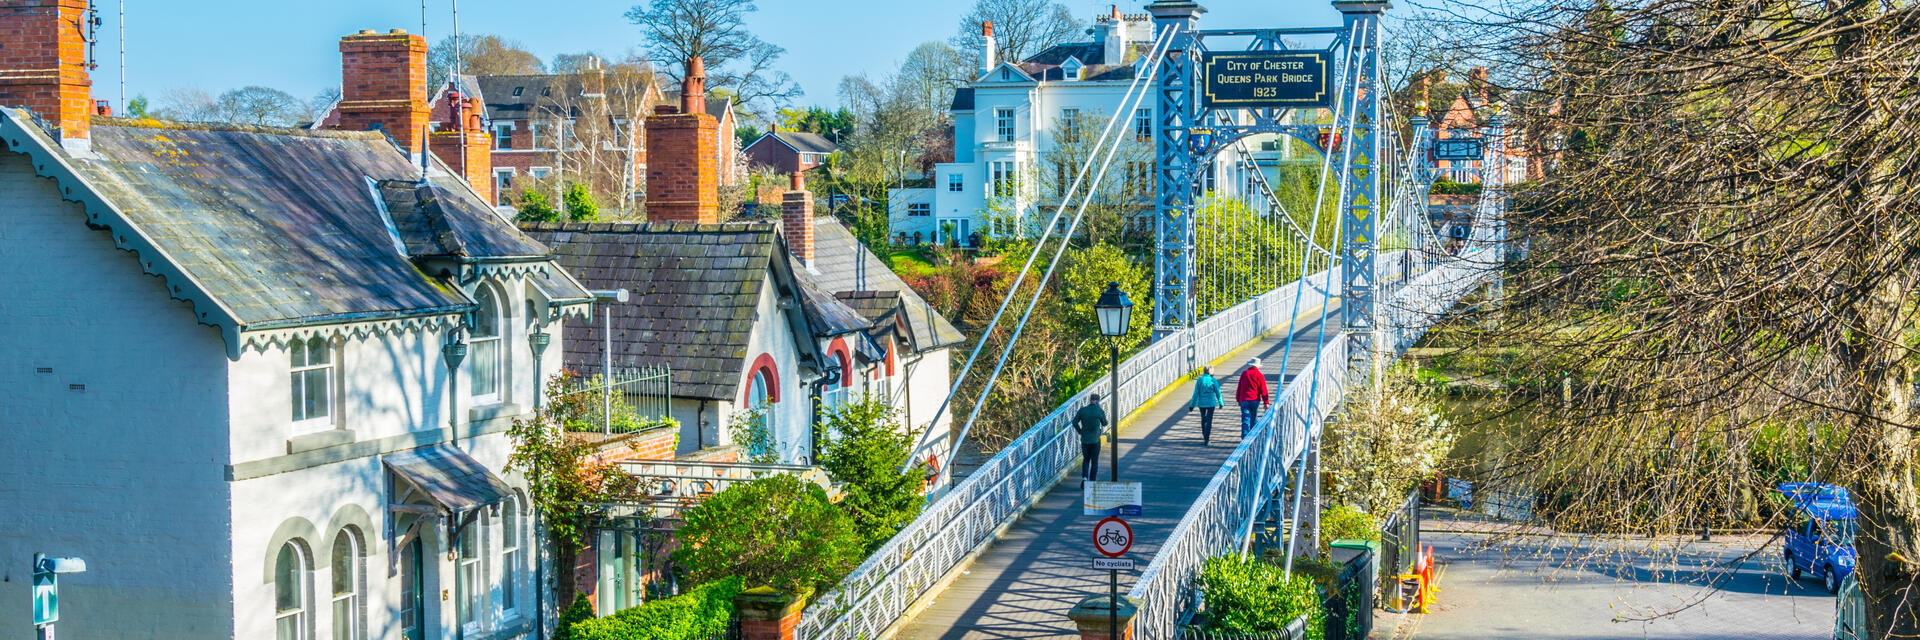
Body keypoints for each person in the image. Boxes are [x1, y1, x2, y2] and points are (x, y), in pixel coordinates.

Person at [1076, 393, 1109, 488]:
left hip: (1085, 440)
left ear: (1090, 400)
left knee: (1086, 459)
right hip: (1095, 440)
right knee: (1094, 461)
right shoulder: (1099, 411)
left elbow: (1074, 422)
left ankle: (1085, 478)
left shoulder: (1083, 410)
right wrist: (1102, 411)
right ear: (1098, 401)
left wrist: (1080, 431)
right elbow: (1105, 423)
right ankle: (1092, 481)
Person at [1236, 358, 1271, 437]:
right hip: (1254, 400)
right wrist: (1266, 402)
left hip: (1244, 400)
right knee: (1253, 418)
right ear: (1257, 366)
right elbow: (1263, 389)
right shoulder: (1259, 375)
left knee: (1245, 419)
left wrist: (1238, 398)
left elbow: (1240, 387)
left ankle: (1244, 437)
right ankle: (1253, 437)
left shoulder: (1244, 373)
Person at [1190, 365, 1223, 445]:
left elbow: (1196, 393)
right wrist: (1221, 403)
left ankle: (1204, 435)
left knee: (1203, 418)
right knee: (1209, 420)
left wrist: (1192, 405)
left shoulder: (1199, 380)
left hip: (1202, 403)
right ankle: (1207, 438)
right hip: (1211, 403)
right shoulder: (1213, 380)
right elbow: (1218, 392)